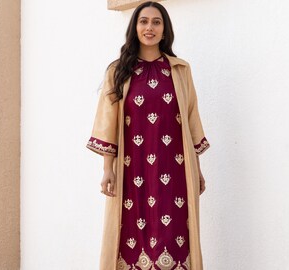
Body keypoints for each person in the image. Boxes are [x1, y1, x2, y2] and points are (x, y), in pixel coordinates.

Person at [86, 2, 210, 269]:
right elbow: (108, 124)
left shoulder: (180, 70)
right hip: (133, 169)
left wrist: (196, 169)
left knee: (173, 233)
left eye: (156, 22)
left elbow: (190, 121)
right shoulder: (118, 71)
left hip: (174, 168)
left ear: (165, 30)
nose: (149, 28)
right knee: (132, 231)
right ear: (135, 28)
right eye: (143, 22)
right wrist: (108, 169)